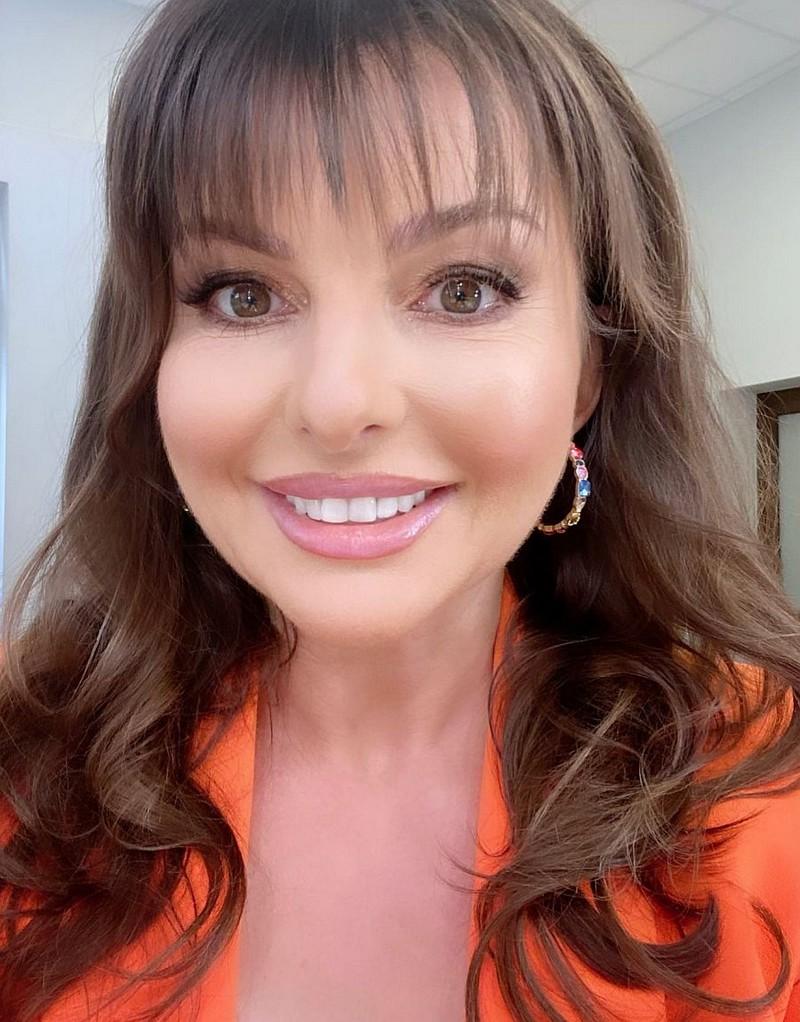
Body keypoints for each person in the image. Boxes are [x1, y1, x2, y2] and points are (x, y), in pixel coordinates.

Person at [0, 0, 798, 1019]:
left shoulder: (758, 784)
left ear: (589, 368)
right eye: (242, 293)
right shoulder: (27, 776)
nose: (340, 404)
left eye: (462, 289)